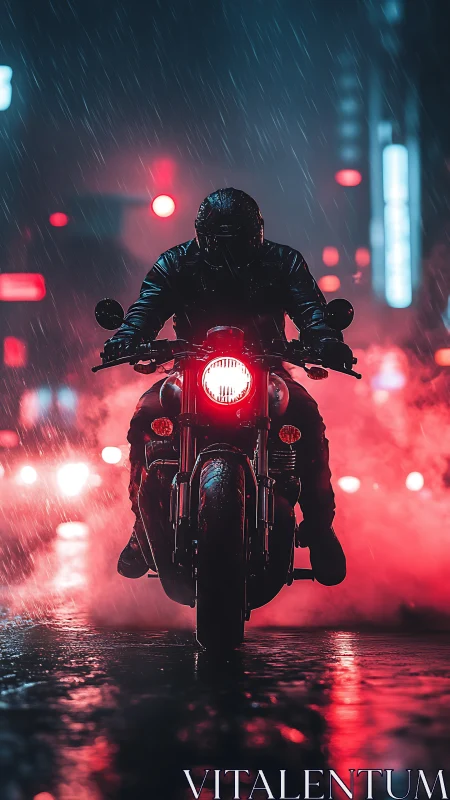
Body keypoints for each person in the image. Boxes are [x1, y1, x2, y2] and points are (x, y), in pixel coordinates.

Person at [102, 188, 353, 586]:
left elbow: (310, 308)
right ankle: (141, 527)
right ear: (203, 235)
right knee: (147, 416)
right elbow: (146, 307)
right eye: (220, 239)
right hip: (190, 372)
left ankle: (320, 528)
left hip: (265, 371)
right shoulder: (176, 263)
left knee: (306, 417)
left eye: (237, 238)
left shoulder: (282, 262)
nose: (229, 248)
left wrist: (325, 338)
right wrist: (129, 335)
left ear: (256, 234)